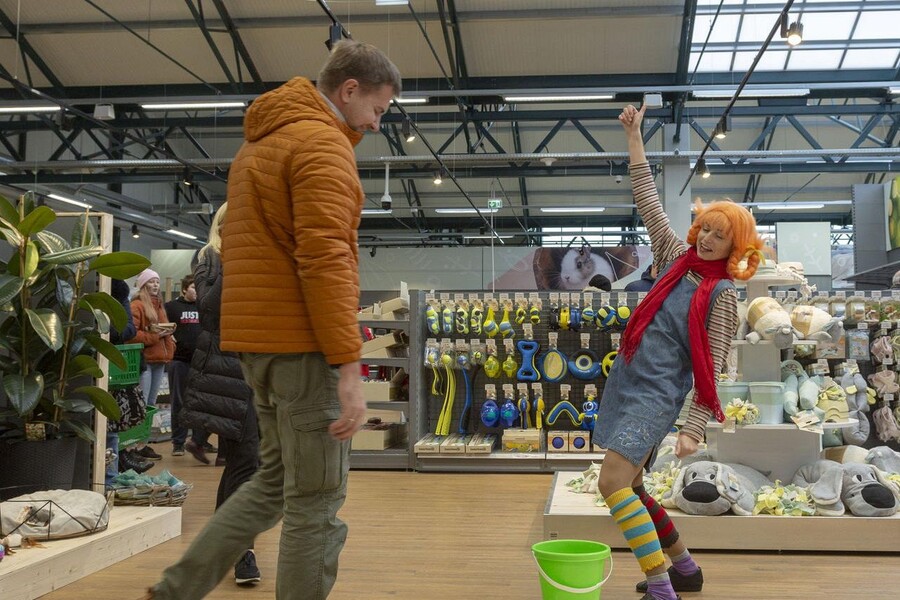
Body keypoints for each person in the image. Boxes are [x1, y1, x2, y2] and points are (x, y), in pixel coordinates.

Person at [143, 40, 400, 600]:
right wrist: (349, 366)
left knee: (273, 485)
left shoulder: (257, 148)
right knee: (317, 505)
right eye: (378, 109)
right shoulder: (322, 147)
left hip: (258, 349)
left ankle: (177, 589)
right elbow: (327, 260)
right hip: (304, 350)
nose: (377, 125)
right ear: (349, 89)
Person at [592, 104, 763, 600]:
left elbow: (712, 366)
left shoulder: (723, 296)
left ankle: (662, 586)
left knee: (613, 485)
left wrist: (693, 427)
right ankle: (685, 569)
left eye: (721, 235)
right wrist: (634, 136)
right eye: (706, 228)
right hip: (627, 382)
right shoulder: (674, 258)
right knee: (636, 488)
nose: (708, 238)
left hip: (657, 395)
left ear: (737, 246)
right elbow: (648, 198)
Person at [180, 202, 262, 585]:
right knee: (246, 460)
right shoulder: (209, 257)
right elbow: (210, 310)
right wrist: (237, 262)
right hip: (227, 372)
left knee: (243, 464)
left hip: (261, 371)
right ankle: (240, 551)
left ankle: (226, 546)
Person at [164, 274, 214, 460]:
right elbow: (162, 328)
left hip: (203, 362)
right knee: (179, 402)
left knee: (203, 402)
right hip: (180, 361)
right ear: (184, 289)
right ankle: (178, 442)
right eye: (193, 288)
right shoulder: (171, 307)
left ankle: (200, 440)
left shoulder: (205, 307)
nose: (197, 291)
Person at [128, 268, 175, 462]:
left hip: (159, 362)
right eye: (151, 281)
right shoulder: (137, 306)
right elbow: (132, 335)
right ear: (143, 284)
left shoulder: (159, 306)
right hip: (145, 362)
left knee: (149, 405)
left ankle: (143, 444)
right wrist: (156, 336)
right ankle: (133, 446)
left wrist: (170, 339)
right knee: (141, 405)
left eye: (157, 281)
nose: (156, 285)